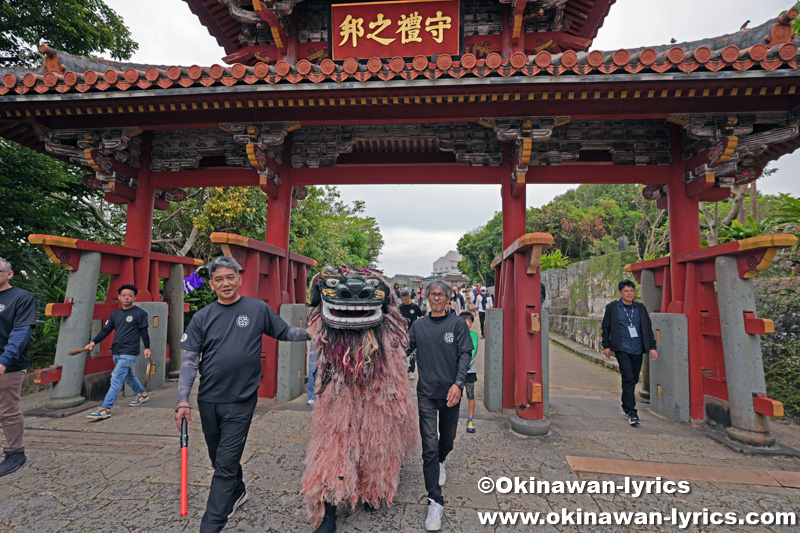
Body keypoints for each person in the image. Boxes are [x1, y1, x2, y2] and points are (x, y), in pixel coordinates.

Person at [175, 256, 310, 533]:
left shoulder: (257, 309)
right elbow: (189, 362)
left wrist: (316, 333)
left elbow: (285, 332)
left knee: (224, 464)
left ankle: (211, 525)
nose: (225, 283)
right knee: (218, 458)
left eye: (230, 277)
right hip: (209, 399)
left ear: (239, 278)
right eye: (219, 279)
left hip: (241, 399)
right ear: (211, 284)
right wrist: (182, 400)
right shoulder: (202, 317)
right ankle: (237, 491)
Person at [407, 280, 472, 531]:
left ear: (448, 298)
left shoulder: (456, 324)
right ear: (427, 297)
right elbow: (404, 349)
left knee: (447, 440)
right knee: (429, 446)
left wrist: (458, 384)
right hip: (425, 394)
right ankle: (435, 500)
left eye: (440, 295)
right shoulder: (418, 325)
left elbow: (465, 354)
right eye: (432, 294)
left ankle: (442, 460)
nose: (435, 298)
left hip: (451, 393)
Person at [85, 284, 152, 420]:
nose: (127, 297)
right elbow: (106, 330)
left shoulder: (140, 313)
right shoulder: (115, 314)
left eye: (130, 295)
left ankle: (106, 408)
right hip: (117, 351)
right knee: (128, 375)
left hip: (130, 351)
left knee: (116, 377)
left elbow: (143, 332)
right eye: (124, 295)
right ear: (119, 297)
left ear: (134, 297)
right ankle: (142, 394)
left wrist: (147, 347)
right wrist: (93, 342)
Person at [601, 280, 658, 427]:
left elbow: (648, 328)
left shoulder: (640, 308)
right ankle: (632, 412)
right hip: (622, 348)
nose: (629, 293)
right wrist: (606, 345)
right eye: (626, 291)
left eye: (632, 291)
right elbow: (606, 327)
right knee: (627, 377)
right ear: (620, 292)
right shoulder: (613, 308)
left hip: (638, 348)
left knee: (632, 379)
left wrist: (652, 347)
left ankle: (625, 406)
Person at [0, 257, 36, 476]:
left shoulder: (21, 298)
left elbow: (21, 332)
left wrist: (5, 360)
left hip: (8, 363)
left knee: (6, 409)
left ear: (9, 274)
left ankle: (15, 452)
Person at [459, 311, 479, 434]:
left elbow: (473, 351)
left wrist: (464, 366)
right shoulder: (455, 335)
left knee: (470, 394)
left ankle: (470, 418)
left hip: (469, 370)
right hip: (456, 371)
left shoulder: (474, 335)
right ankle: (453, 418)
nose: (468, 323)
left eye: (470, 321)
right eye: (465, 321)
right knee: (456, 394)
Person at [399, 290, 423, 379]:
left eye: (405, 299)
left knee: (412, 352)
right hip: (402, 333)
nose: (404, 301)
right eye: (402, 300)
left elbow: (421, 318)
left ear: (409, 298)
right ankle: (402, 369)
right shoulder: (400, 307)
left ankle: (411, 370)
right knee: (402, 351)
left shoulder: (415, 307)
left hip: (413, 333)